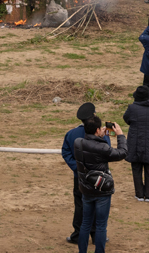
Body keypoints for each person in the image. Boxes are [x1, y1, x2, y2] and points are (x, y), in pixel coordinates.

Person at [74, 115, 128, 253]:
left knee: (85, 224)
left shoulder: (78, 142)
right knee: (100, 226)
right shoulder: (102, 147)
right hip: (102, 190)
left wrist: (100, 136)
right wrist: (120, 135)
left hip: (86, 189)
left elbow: (92, 148)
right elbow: (122, 153)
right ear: (98, 129)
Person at [62, 102, 98, 245]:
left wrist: (76, 167)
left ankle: (77, 235)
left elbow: (66, 152)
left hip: (80, 176)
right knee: (97, 205)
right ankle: (97, 236)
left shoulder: (71, 134)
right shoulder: (99, 133)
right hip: (97, 176)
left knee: (80, 205)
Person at [123, 84, 149, 202]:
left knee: (136, 168)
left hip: (135, 142)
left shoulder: (132, 108)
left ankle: (139, 194)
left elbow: (126, 119)